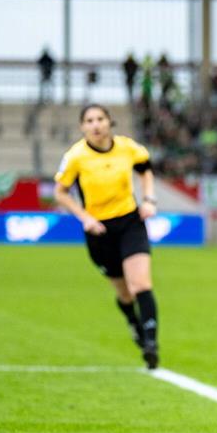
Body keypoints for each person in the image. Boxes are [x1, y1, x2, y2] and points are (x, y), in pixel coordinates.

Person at [54, 104, 161, 369]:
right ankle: (133, 323)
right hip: (99, 231)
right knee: (125, 294)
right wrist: (85, 218)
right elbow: (60, 192)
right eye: (89, 120)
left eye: (100, 119)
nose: (96, 125)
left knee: (140, 284)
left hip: (130, 222)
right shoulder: (76, 156)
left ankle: (151, 343)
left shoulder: (127, 147)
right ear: (82, 127)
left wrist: (148, 199)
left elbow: (145, 169)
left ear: (109, 122)